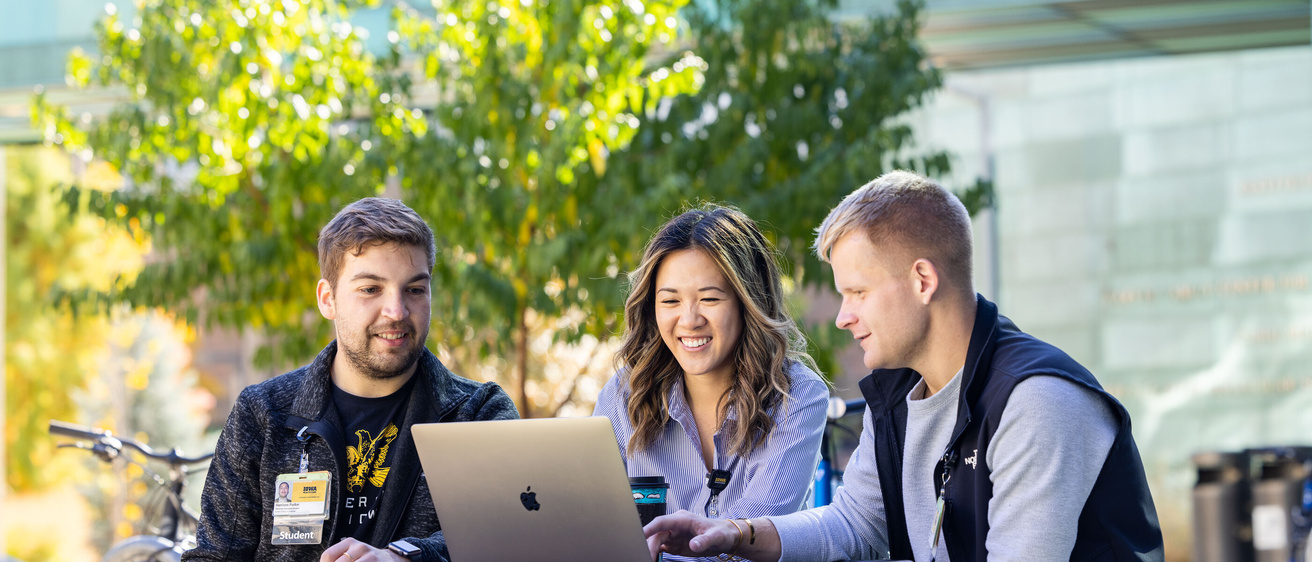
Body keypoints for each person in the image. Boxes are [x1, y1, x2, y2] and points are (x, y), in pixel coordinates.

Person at [645, 172, 1164, 561]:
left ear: (922, 281)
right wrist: (735, 533)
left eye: (858, 292)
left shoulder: (1036, 402)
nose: (844, 317)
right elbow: (856, 525)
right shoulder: (897, 394)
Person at [184, 198, 519, 562]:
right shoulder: (263, 414)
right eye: (371, 289)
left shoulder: (477, 413)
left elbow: (508, 534)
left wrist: (404, 558)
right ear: (328, 299)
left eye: (415, 289)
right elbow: (213, 556)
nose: (396, 311)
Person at [593, 205, 830, 560]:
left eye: (709, 298)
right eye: (670, 300)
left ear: (748, 302)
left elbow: (747, 543)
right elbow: (593, 526)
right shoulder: (622, 395)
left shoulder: (797, 396)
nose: (689, 320)